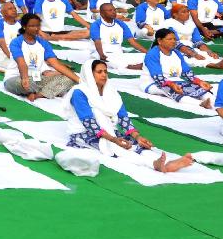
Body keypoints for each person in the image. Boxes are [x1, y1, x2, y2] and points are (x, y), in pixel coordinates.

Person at [66, 60, 195, 173]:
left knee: (134, 143)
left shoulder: (110, 92)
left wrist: (137, 137)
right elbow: (89, 123)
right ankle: (153, 164)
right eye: (99, 72)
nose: (104, 75)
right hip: (85, 133)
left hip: (109, 131)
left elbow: (123, 118)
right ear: (89, 74)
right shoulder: (80, 93)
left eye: (105, 71)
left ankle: (165, 162)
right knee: (115, 147)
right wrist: (113, 139)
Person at [6, 13, 80, 100]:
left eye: (38, 25)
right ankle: (48, 90)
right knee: (28, 84)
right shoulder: (16, 42)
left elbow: (55, 64)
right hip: (17, 78)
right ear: (24, 27)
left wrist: (79, 80)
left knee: (69, 78)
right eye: (32, 26)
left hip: (37, 78)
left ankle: (38, 94)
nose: (36, 28)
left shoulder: (43, 43)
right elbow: (21, 63)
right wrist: (25, 78)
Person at [142, 29, 213, 108]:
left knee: (200, 88)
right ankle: (199, 104)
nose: (173, 41)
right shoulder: (152, 54)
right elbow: (157, 77)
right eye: (169, 39)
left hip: (175, 81)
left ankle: (212, 101)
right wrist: (172, 85)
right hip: (153, 82)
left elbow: (186, 72)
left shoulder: (176, 53)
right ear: (159, 41)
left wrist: (199, 81)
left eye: (174, 39)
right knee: (172, 90)